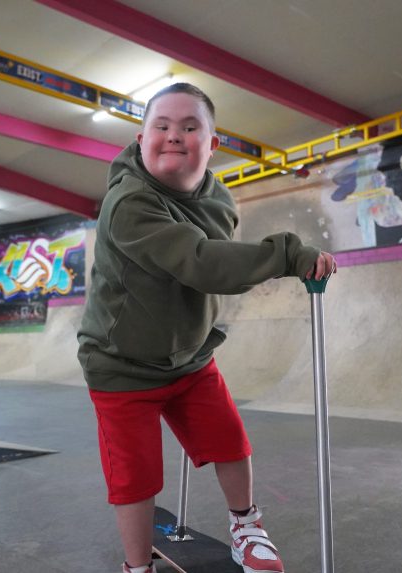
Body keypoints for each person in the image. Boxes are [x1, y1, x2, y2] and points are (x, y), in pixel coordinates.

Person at [77, 83, 336, 573]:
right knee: (136, 478)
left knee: (229, 440)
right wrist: (287, 254)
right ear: (140, 140)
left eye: (190, 127)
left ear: (212, 145)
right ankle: (138, 567)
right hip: (121, 364)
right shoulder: (128, 203)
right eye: (162, 126)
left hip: (190, 356)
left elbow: (215, 253)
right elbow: (201, 261)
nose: (174, 136)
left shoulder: (217, 196)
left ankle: (246, 526)